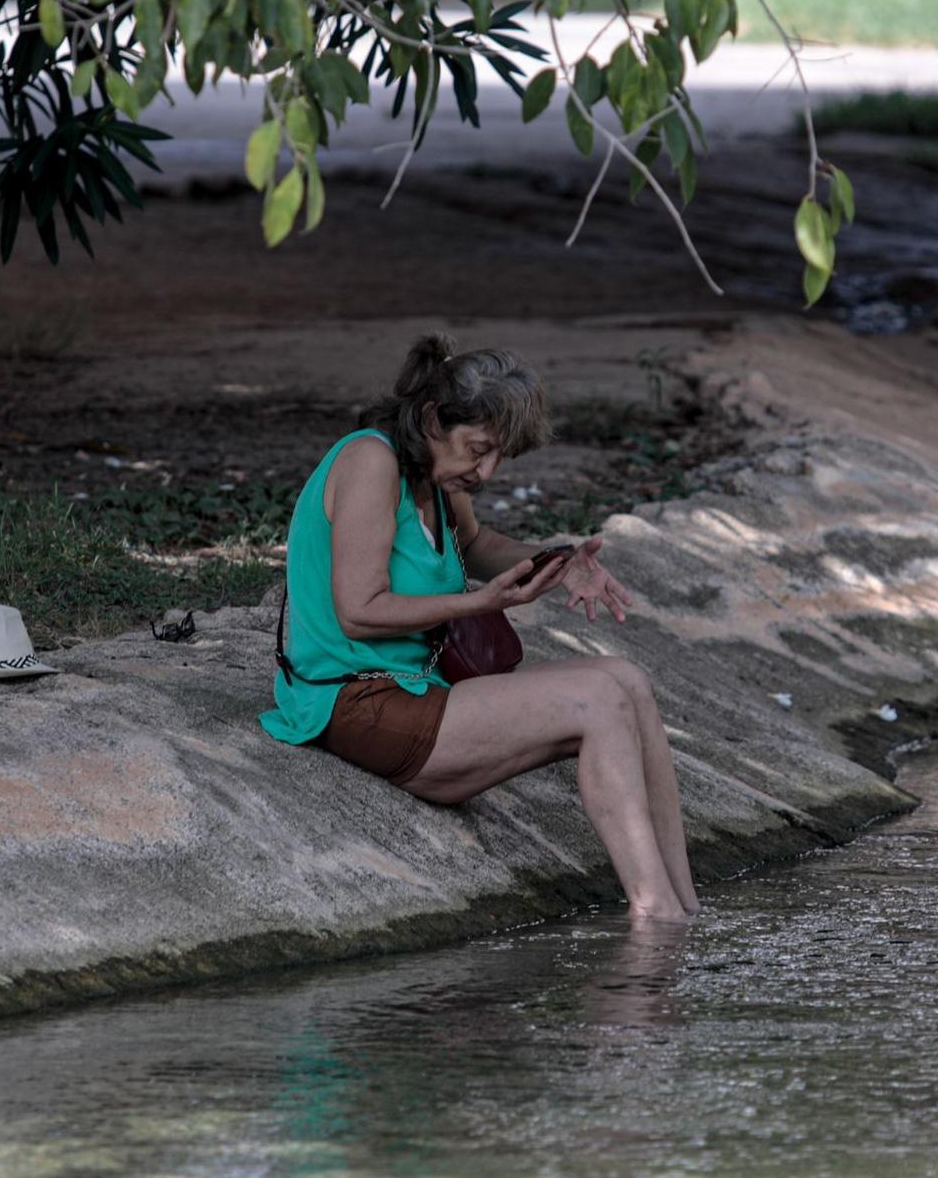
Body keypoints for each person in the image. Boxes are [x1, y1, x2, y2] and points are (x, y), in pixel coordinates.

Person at [257, 334, 699, 921]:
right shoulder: (371, 461)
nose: (486, 471)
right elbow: (357, 610)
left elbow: (477, 543)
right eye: (479, 448)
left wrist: (559, 561)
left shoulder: (434, 474)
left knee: (629, 681)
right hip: (352, 699)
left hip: (418, 693)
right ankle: (655, 919)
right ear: (435, 418)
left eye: (500, 458)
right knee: (596, 699)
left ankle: (684, 907)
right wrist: (479, 603)